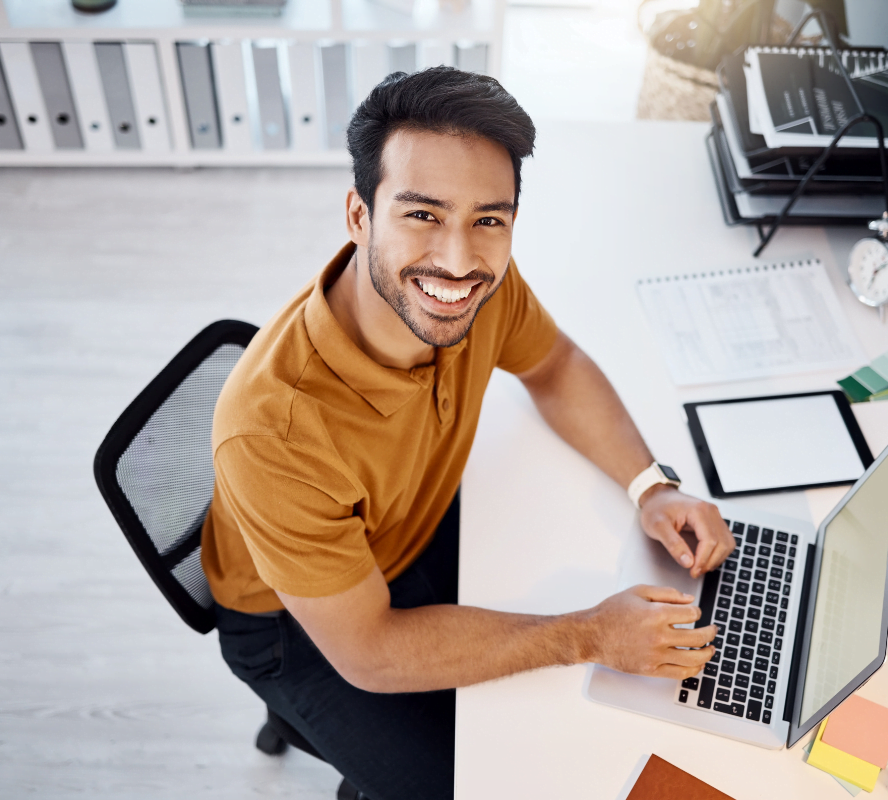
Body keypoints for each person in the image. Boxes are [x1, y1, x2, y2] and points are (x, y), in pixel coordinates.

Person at [200, 66, 735, 800]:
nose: (457, 261)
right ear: (359, 215)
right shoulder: (274, 430)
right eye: (422, 214)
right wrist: (586, 635)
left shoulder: (478, 286)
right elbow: (369, 650)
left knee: (598, 706)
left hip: (414, 525)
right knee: (492, 780)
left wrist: (650, 487)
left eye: (489, 219)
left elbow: (553, 363)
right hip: (305, 632)